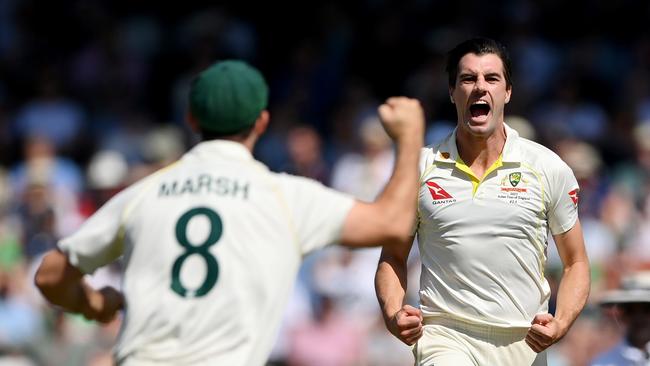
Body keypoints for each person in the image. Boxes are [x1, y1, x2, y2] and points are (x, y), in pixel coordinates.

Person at [34, 60, 425, 365]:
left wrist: (92, 303)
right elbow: (391, 223)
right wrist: (409, 138)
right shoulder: (284, 195)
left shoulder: (143, 193)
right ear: (262, 122)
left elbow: (50, 275)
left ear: (190, 119)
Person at [375, 37, 590, 365]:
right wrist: (393, 312)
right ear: (452, 92)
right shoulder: (418, 168)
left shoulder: (547, 167)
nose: (479, 87)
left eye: (491, 78)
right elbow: (392, 256)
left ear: (507, 92)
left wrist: (561, 323)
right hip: (445, 337)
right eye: (467, 79)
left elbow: (576, 262)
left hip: (524, 342)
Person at [590, 271, 650, 366]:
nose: (639, 318)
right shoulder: (603, 363)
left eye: (647, 309)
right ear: (622, 314)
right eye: (631, 310)